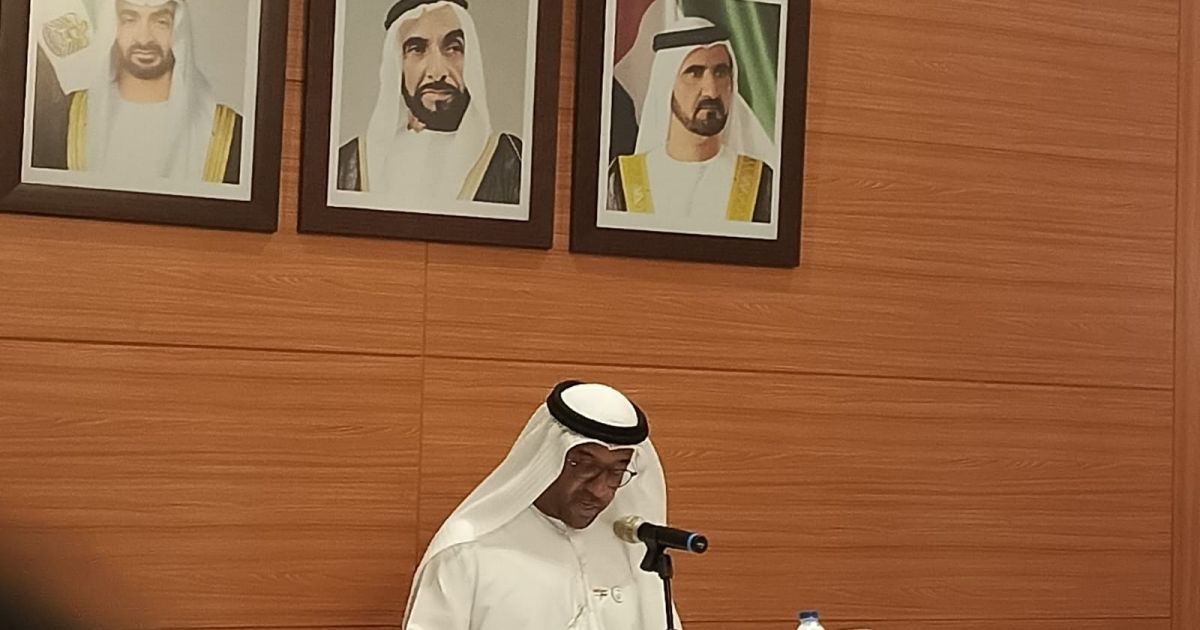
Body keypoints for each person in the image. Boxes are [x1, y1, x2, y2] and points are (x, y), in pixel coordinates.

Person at [403, 381, 680, 630]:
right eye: (583, 465)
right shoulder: (468, 550)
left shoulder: (631, 550)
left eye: (616, 472)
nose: (599, 490)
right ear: (546, 458)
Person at [31, 0, 243, 185]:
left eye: (160, 22)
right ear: (113, 27)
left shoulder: (230, 134)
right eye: (129, 20)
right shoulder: (59, 122)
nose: (144, 38)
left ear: (179, 31)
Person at [337, 0, 522, 207]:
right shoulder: (349, 163)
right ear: (397, 65)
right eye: (417, 49)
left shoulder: (512, 160)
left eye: (453, 48)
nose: (437, 72)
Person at [607, 18, 776, 225]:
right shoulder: (622, 180)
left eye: (720, 72)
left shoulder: (762, 183)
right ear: (666, 84)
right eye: (694, 73)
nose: (712, 91)